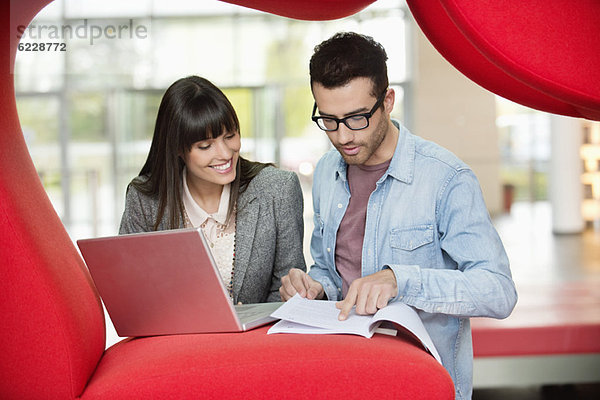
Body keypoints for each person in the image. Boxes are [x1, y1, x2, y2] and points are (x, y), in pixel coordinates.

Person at [279, 32, 517, 399]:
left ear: (388, 101)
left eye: (357, 118)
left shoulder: (446, 179)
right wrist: (316, 287)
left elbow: (498, 291)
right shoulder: (327, 172)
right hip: (346, 374)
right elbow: (331, 269)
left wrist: (399, 281)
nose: (342, 136)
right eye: (328, 119)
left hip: (423, 384)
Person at [120, 75, 306, 304]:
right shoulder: (145, 200)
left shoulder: (278, 189)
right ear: (178, 149)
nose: (226, 154)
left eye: (230, 136)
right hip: (175, 338)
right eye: (206, 146)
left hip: (257, 337)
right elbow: (133, 295)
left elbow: (288, 291)